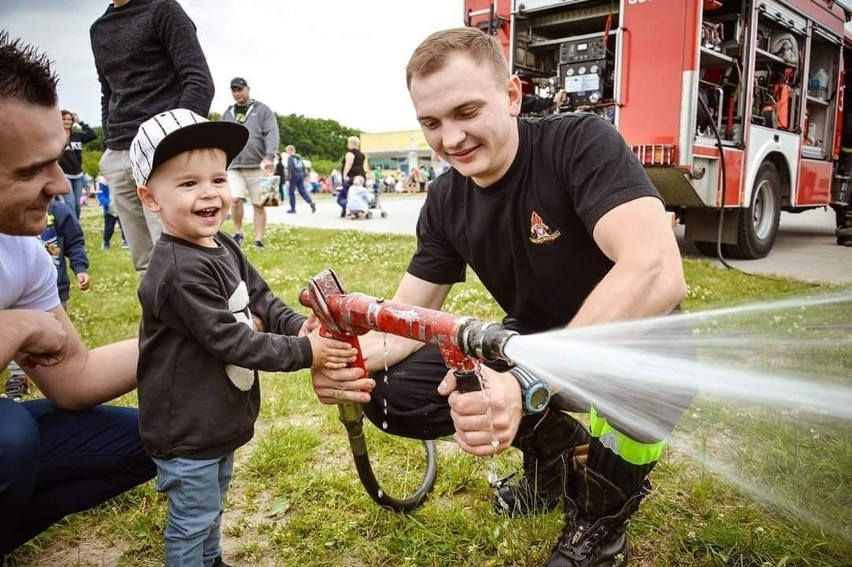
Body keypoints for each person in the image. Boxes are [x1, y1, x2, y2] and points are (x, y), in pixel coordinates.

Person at [310, 27, 689, 567]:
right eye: (432, 123)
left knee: (642, 388)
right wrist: (336, 358)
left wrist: (530, 380)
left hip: (641, 345)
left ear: (512, 95)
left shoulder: (578, 143)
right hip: (530, 351)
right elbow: (406, 319)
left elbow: (657, 270)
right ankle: (555, 452)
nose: (451, 138)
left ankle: (598, 524)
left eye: (467, 112)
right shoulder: (445, 198)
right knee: (392, 388)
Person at [129, 108, 356, 567]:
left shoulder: (224, 245)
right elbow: (230, 340)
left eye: (217, 178)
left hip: (217, 419)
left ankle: (213, 562)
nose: (209, 193)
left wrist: (297, 324)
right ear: (150, 198)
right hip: (185, 426)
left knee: (213, 507)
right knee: (194, 520)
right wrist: (305, 351)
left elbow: (261, 299)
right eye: (188, 183)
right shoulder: (173, 271)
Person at [0, 31, 155, 561]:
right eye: (30, 170)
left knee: (156, 438)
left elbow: (74, 381)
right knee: (8, 438)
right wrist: (17, 328)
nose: (62, 185)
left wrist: (201, 336)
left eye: (57, 159)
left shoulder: (22, 251)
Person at [91, 0, 215, 274]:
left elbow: (199, 81)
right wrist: (107, 144)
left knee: (178, 254)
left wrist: (177, 140)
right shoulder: (99, 28)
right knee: (145, 263)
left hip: (161, 147)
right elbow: (108, 93)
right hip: (119, 152)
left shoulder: (163, 9)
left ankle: (201, 315)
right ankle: (160, 317)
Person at [222, 77, 280, 249]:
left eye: (240, 89)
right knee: (235, 200)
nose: (237, 93)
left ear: (248, 89)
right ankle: (238, 233)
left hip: (257, 165)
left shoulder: (262, 110)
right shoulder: (228, 112)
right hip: (234, 165)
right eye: (234, 90)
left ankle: (259, 239)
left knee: (259, 203)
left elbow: (271, 132)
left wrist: (269, 155)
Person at [59, 110, 97, 219]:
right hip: (65, 175)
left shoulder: (77, 136)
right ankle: (74, 231)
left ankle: (75, 225)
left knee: (77, 205)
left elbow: (92, 135)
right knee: (70, 204)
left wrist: (80, 122)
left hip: (78, 175)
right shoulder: (56, 137)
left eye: (70, 119)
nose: (67, 122)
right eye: (64, 119)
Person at [338, 136, 367, 218]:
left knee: (344, 196)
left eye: (348, 143)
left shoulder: (350, 153)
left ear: (351, 143)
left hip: (352, 177)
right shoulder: (361, 154)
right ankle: (360, 210)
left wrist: (344, 175)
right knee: (359, 194)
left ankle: (349, 210)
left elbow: (348, 164)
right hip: (361, 176)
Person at [96, 174, 128, 249]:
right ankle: (106, 241)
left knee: (124, 226)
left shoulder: (118, 180)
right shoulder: (101, 182)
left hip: (120, 208)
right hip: (109, 210)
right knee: (109, 228)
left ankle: (125, 240)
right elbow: (100, 195)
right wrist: (107, 203)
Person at [284, 144, 316, 214]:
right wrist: (304, 176)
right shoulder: (299, 157)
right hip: (300, 175)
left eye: (287, 151)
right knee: (302, 191)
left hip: (294, 176)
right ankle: (311, 203)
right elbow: (304, 167)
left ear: (289, 151)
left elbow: (290, 168)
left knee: (291, 192)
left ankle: (293, 208)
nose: (287, 153)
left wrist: (288, 178)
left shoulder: (290, 158)